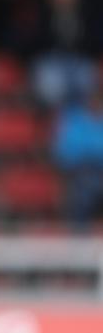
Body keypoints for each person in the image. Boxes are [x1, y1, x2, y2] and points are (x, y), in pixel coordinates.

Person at [53, 87, 103, 230]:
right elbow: (65, 150)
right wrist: (91, 155)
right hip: (80, 171)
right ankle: (79, 234)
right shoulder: (74, 120)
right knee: (83, 193)